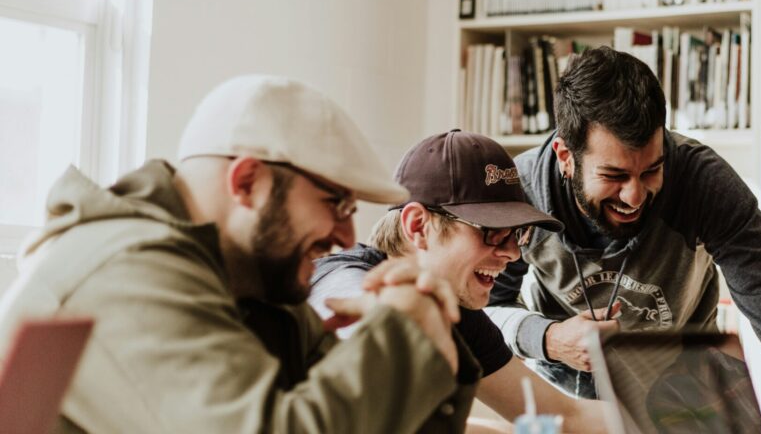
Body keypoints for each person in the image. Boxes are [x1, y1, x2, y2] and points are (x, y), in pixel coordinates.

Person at [0, 75, 476, 433]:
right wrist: (403, 333)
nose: (347, 236)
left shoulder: (253, 283)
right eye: (335, 202)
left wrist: (429, 329)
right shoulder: (127, 271)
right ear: (247, 182)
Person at [485, 46, 761, 432]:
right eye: (614, 176)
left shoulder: (704, 182)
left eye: (651, 170)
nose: (634, 196)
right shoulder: (521, 195)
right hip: (567, 406)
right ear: (565, 156)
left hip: (688, 398)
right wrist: (547, 338)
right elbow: (485, 308)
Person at [308, 129, 608, 433]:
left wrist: (653, 415)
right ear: (418, 226)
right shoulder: (342, 278)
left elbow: (566, 416)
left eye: (517, 234)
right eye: (493, 231)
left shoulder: (460, 311)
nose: (513, 254)